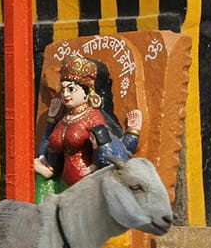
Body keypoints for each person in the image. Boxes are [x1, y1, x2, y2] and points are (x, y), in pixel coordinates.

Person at [33, 55, 141, 198]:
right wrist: (51, 120)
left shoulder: (93, 118)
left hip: (86, 187)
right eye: (63, 89)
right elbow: (50, 148)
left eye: (71, 89)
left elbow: (112, 154)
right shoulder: (65, 119)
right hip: (64, 187)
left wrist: (132, 132)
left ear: (87, 92)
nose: (65, 94)